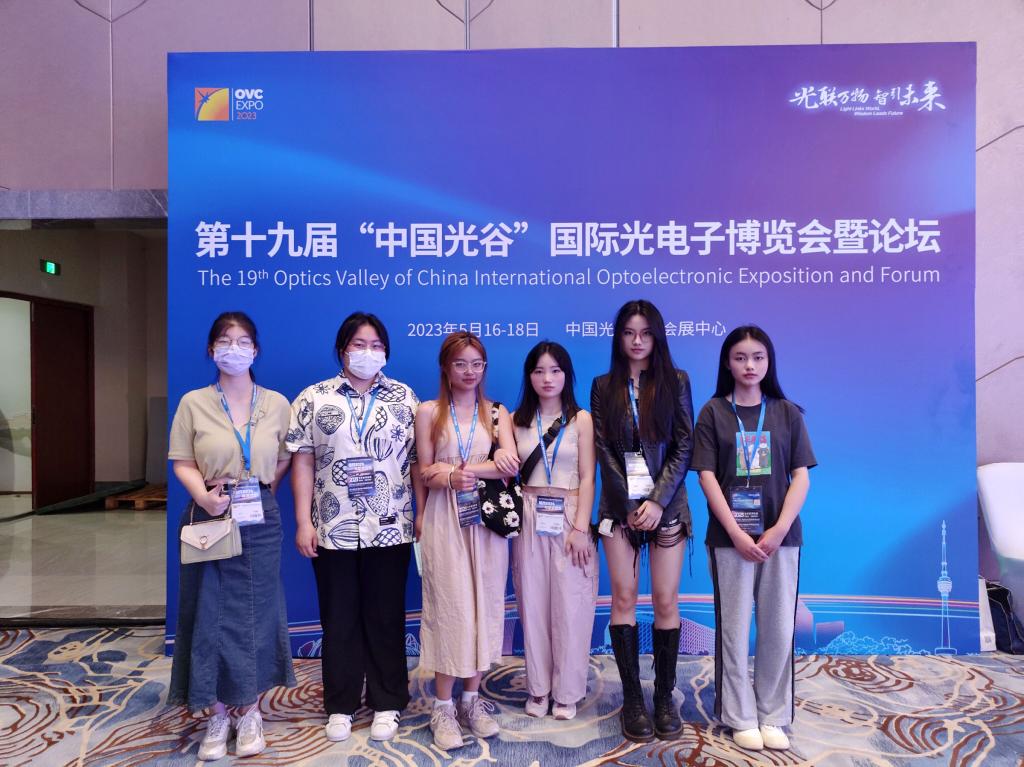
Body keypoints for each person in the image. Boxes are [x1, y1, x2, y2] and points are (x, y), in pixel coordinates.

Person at [287, 312, 421, 743]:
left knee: (386, 616)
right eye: (359, 344)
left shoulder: (404, 398)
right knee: (339, 618)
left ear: (387, 351)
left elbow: (416, 463)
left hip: (391, 525)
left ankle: (387, 701)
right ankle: (341, 704)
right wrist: (303, 521)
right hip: (333, 526)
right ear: (342, 349)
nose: (368, 352)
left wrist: (420, 513)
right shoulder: (313, 398)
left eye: (376, 345)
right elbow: (303, 462)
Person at [167, 311, 295, 761]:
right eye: (225, 340)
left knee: (256, 612)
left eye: (243, 341)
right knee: (210, 610)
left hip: (260, 516)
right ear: (211, 350)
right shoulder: (194, 402)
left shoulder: (276, 404)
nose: (234, 349)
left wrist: (261, 492)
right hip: (208, 514)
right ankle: (218, 713)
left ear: (256, 350)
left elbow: (284, 457)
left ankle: (251, 710)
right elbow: (182, 460)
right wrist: (204, 496)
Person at [692, 325, 816, 752]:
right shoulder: (713, 412)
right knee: (733, 628)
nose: (749, 365)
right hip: (730, 539)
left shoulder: (787, 412)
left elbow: (801, 477)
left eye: (758, 357)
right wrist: (734, 531)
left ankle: (772, 714)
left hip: (781, 537)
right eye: (740, 357)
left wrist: (778, 529)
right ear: (727, 363)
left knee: (778, 628)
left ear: (769, 362)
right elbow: (707, 477)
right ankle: (740, 715)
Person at [590, 299, 694, 742]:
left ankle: (664, 697)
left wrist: (656, 501)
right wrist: (633, 503)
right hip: (619, 508)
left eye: (645, 333)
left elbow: (684, 445)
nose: (637, 341)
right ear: (619, 337)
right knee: (624, 597)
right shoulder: (603, 386)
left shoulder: (676, 381)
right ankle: (633, 699)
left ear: (657, 337)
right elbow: (604, 449)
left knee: (666, 600)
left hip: (668, 505)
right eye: (629, 333)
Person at [413, 331, 520, 750]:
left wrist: (466, 471)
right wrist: (449, 477)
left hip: (487, 522)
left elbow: (509, 466)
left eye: (477, 364)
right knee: (451, 607)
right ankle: (443, 707)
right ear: (446, 367)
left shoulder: (496, 413)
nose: (469, 371)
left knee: (484, 605)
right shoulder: (428, 412)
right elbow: (424, 471)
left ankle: (472, 701)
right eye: (461, 364)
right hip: (444, 519)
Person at [510, 341, 598, 721]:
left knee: (571, 606)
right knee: (532, 604)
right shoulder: (514, 420)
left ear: (567, 375)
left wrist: (580, 527)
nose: (547, 378)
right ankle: (539, 688)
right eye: (539, 371)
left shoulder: (581, 420)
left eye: (555, 370)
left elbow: (589, 475)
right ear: (529, 376)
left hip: (570, 512)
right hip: (529, 514)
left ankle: (567, 692)